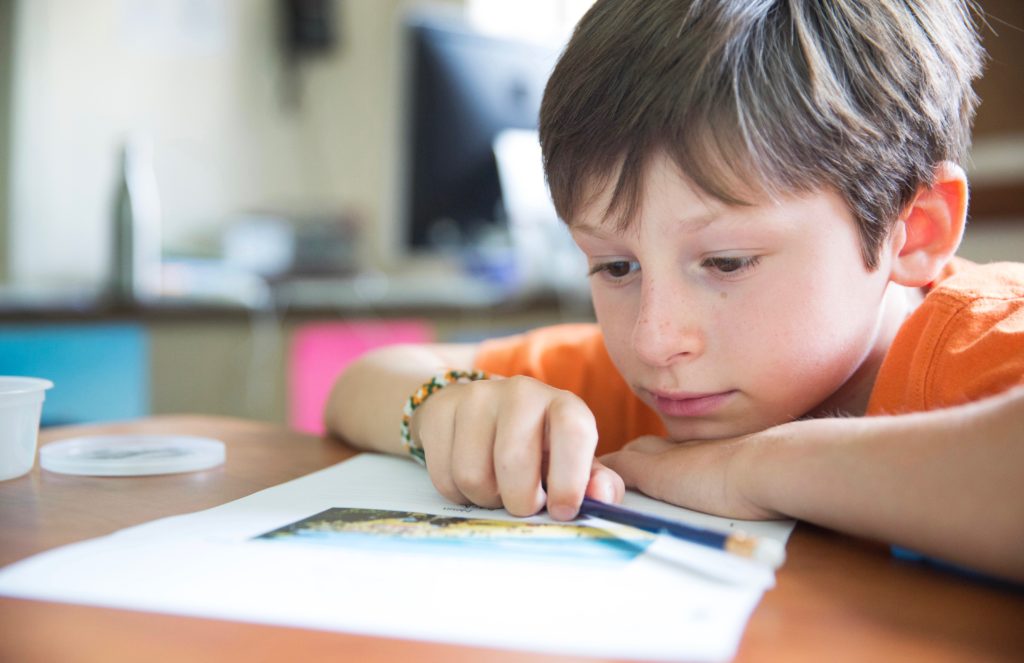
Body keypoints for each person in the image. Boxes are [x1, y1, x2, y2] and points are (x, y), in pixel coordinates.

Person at [326, 0, 1024, 582]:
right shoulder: (649, 385)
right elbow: (363, 380)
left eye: (725, 262)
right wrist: (447, 408)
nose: (654, 338)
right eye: (616, 267)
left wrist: (754, 470)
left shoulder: (985, 342)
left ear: (915, 230)